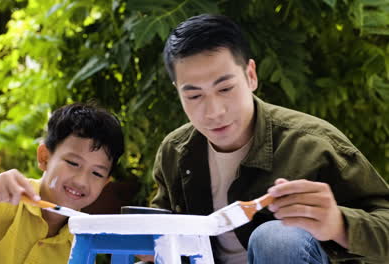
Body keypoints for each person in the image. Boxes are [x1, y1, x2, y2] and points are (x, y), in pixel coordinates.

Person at [150, 14, 389, 264]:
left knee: (276, 238)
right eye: (194, 96)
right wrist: (150, 244)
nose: (214, 112)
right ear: (177, 91)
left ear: (251, 75)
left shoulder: (313, 144)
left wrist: (339, 224)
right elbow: (158, 230)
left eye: (225, 89)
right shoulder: (175, 151)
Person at [0, 102, 125, 264]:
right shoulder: (9, 201)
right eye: (73, 163)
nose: (81, 181)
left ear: (106, 183)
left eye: (97, 173)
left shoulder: (85, 239)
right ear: (44, 157)